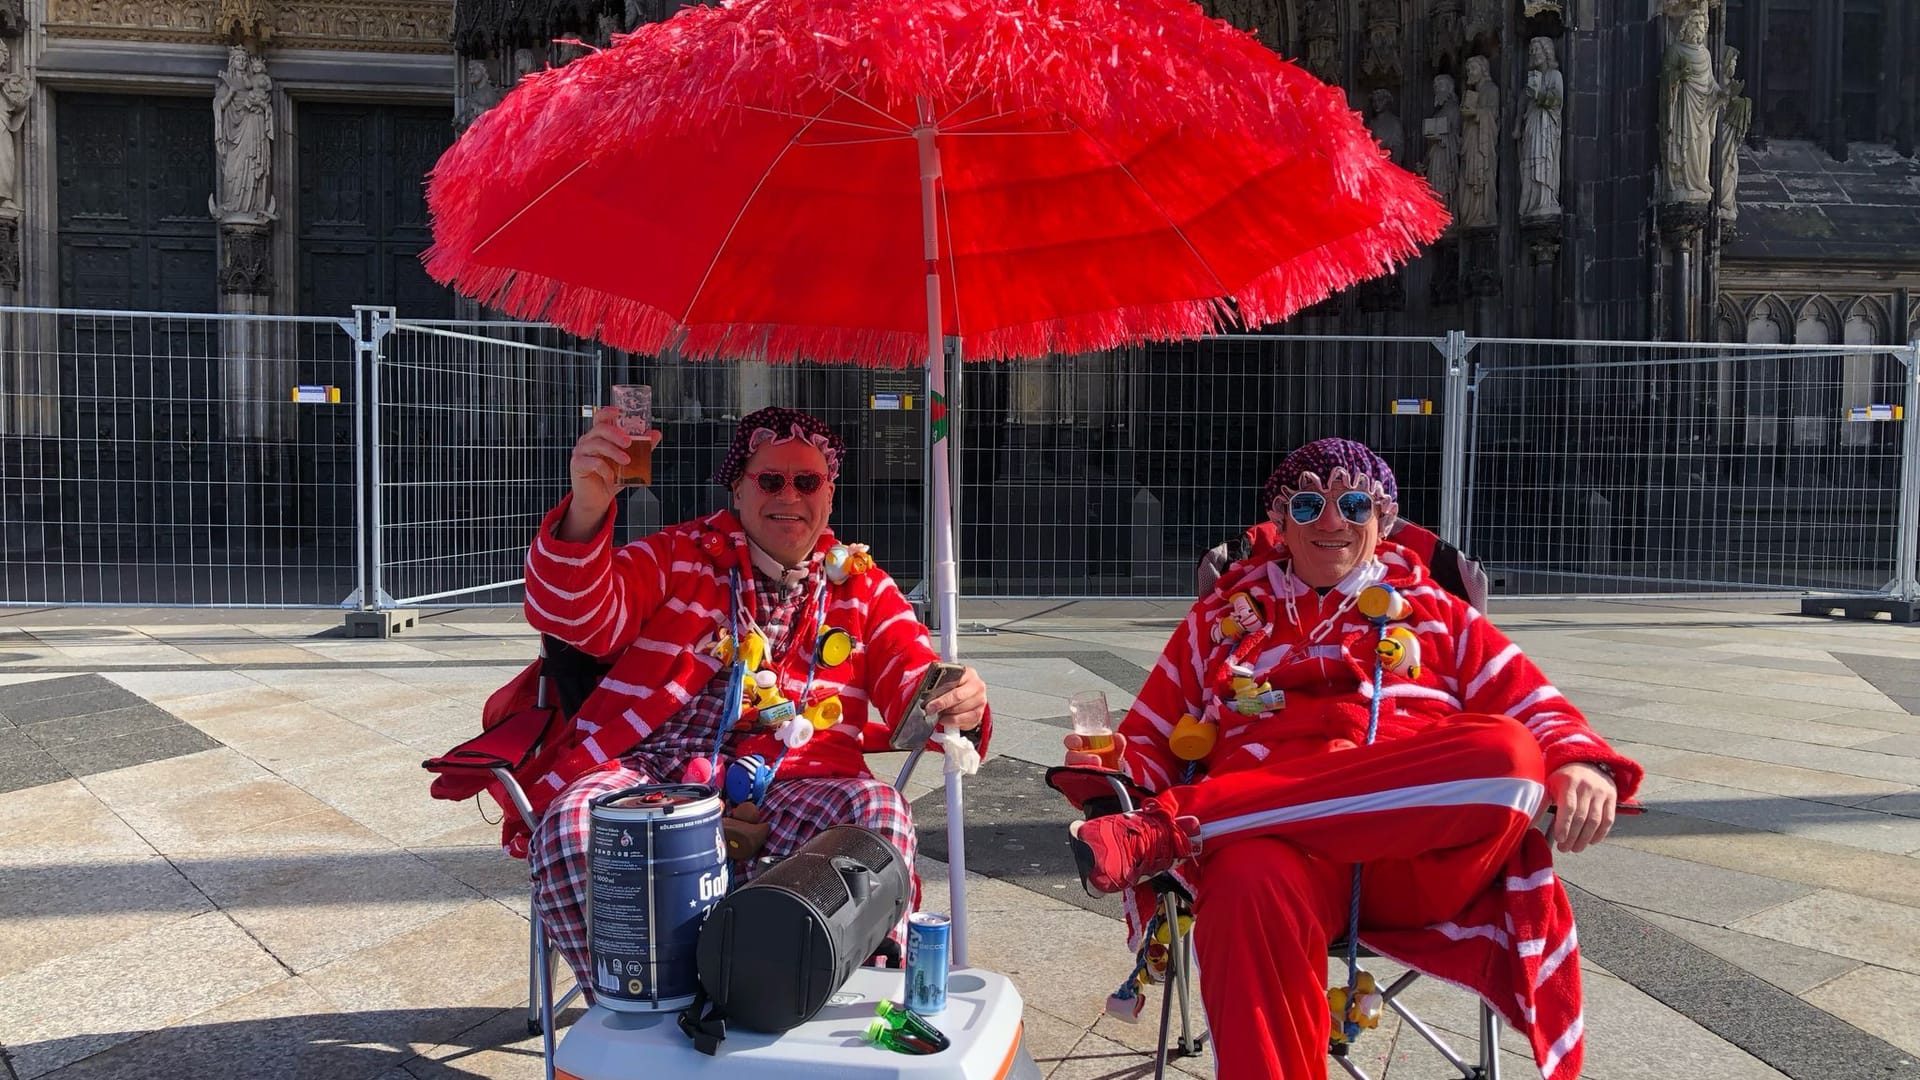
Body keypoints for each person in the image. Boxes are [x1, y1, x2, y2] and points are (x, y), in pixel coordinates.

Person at [1059, 438, 1641, 1080]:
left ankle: (1184, 822)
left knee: (1506, 756)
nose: (1332, 522)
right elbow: (1147, 735)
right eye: (1308, 505)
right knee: (1244, 878)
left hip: (1417, 859)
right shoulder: (1216, 620)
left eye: (1354, 504)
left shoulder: (1439, 614)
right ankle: (1196, 824)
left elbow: (1534, 702)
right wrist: (1106, 766)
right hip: (1281, 857)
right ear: (1278, 523)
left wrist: (1579, 764)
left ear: (1383, 520)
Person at [521, 405, 990, 984]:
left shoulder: (863, 584)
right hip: (657, 770)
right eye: (770, 479)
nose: (788, 495)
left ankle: (832, 1010)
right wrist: (589, 507)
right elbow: (576, 617)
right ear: (738, 492)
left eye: (807, 481)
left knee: (878, 816)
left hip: (801, 781)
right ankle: (642, 1018)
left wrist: (954, 694)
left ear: (829, 496)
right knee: (574, 825)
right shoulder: (680, 554)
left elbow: (910, 674)